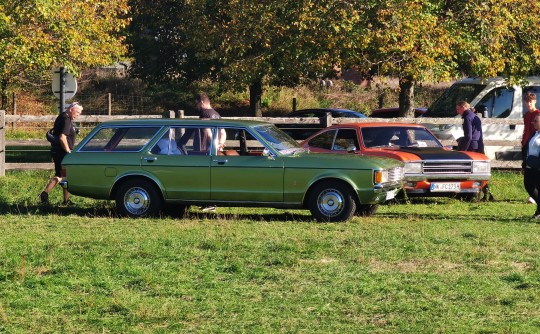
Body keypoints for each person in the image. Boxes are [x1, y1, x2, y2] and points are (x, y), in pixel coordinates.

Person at [39, 102, 83, 205]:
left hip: (59, 151)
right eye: (77, 112)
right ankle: (44, 194)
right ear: (71, 109)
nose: (78, 115)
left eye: (79, 113)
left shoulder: (63, 117)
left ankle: (66, 201)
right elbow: (62, 137)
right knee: (60, 175)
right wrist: (68, 151)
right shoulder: (66, 119)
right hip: (62, 153)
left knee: (66, 176)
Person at [456, 100, 492, 200]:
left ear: (463, 107)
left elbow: (468, 136)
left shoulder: (467, 117)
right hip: (479, 145)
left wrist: (463, 150)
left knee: (471, 170)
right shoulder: (474, 115)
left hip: (472, 147)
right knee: (481, 170)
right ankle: (487, 193)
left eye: (458, 109)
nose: (457, 111)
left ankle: (470, 194)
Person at [521, 92, 540, 204]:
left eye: (530, 101)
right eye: (527, 102)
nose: (528, 104)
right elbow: (526, 129)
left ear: (535, 101)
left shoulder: (538, 114)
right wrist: (524, 141)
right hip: (527, 144)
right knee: (527, 170)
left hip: (536, 145)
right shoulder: (527, 115)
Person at [522, 113, 540, 219]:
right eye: (533, 121)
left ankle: (538, 211)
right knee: (529, 186)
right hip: (529, 165)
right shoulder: (535, 134)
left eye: (536, 121)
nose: (533, 123)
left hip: (538, 167)